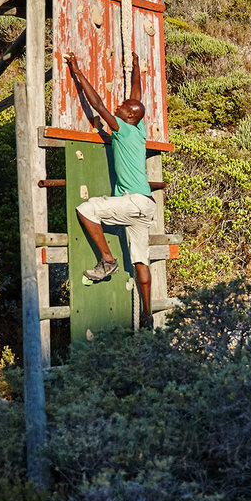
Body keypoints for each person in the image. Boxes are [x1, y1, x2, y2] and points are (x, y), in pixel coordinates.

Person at [61, 49, 159, 327]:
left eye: (122, 107)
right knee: (142, 261)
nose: (117, 106)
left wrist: (77, 72)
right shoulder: (139, 129)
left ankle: (107, 259)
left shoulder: (123, 128)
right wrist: (137, 66)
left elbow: (98, 105)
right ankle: (147, 313)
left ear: (127, 116)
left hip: (133, 202)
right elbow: (137, 97)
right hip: (147, 206)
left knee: (86, 209)